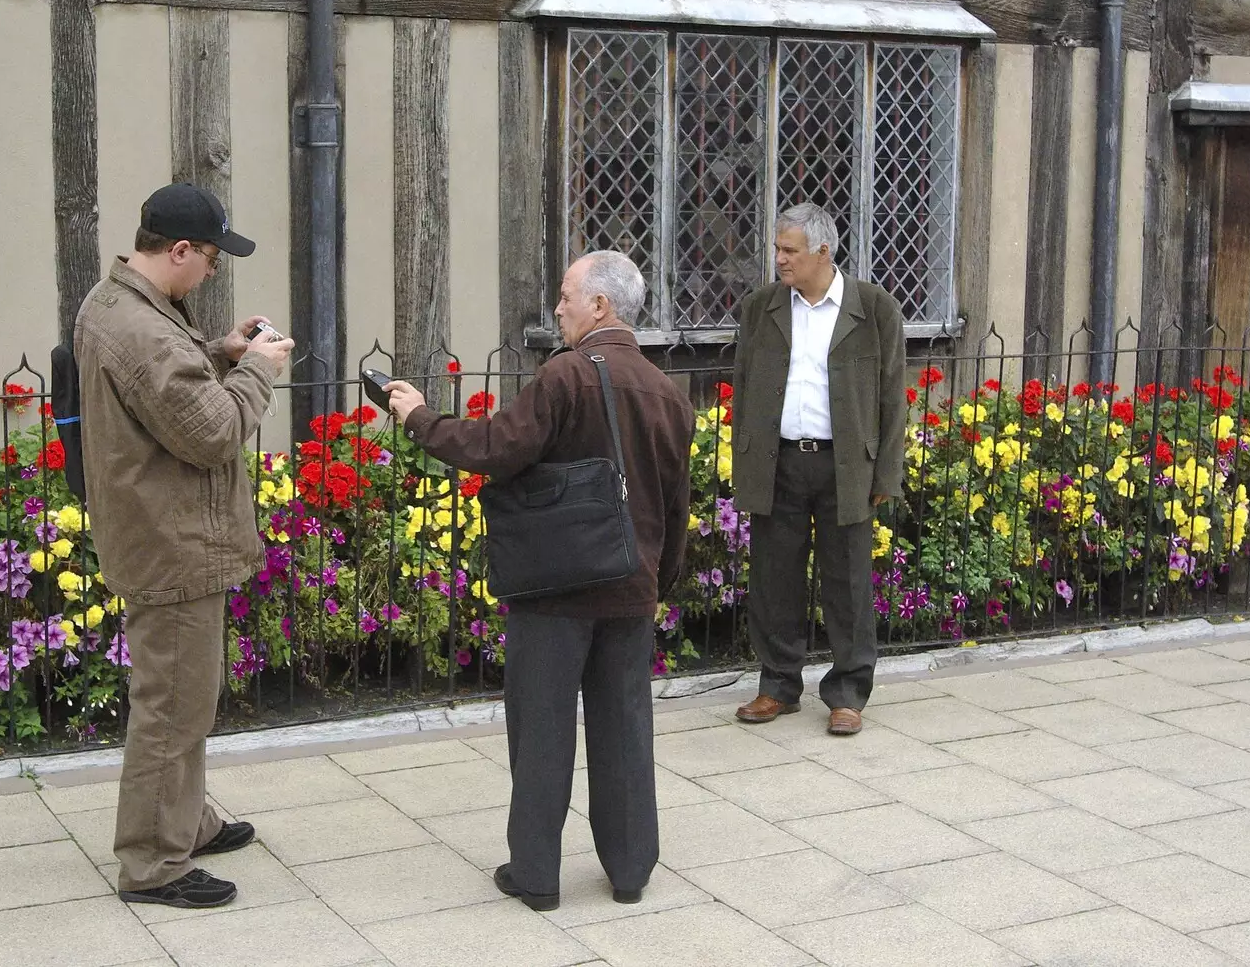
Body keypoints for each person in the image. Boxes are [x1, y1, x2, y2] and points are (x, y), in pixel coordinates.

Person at [384, 251, 694, 911]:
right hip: (631, 589)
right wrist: (656, 583)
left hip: (555, 591)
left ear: (601, 307)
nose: (557, 308)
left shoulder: (565, 377)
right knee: (625, 731)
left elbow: (495, 449)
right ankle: (630, 871)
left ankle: (537, 876)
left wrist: (418, 417)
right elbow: (675, 507)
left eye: (566, 296)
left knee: (543, 730)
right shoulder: (669, 394)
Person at [73, 182, 295, 909]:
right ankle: (153, 863)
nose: (211, 274)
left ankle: (184, 821)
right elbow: (210, 432)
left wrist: (219, 347)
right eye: (209, 260)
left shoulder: (117, 304)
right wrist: (258, 368)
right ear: (177, 251)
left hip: (162, 533)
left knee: (187, 699)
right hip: (172, 544)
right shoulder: (141, 328)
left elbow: (166, 375)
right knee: (172, 708)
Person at [729, 201, 906, 735]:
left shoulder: (872, 308)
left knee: (848, 580)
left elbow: (892, 400)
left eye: (790, 251)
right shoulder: (761, 308)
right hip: (779, 461)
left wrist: (885, 476)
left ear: (823, 252)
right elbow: (742, 388)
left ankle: (848, 691)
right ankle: (778, 685)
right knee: (772, 576)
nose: (779, 260)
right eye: (778, 249)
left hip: (845, 465)